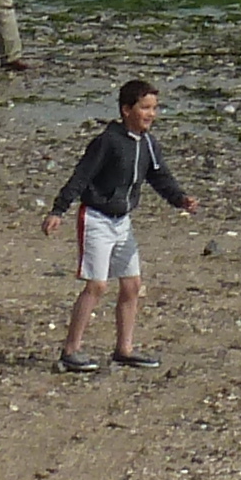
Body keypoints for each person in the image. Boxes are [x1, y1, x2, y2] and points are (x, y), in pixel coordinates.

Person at [44, 79, 199, 373]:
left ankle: (124, 349)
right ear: (127, 109)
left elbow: (159, 177)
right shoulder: (107, 141)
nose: (151, 114)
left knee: (132, 285)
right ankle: (70, 350)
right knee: (97, 285)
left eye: (154, 108)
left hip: (122, 221)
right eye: (145, 108)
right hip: (96, 218)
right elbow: (81, 176)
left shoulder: (149, 143)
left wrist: (180, 199)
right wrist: (58, 209)